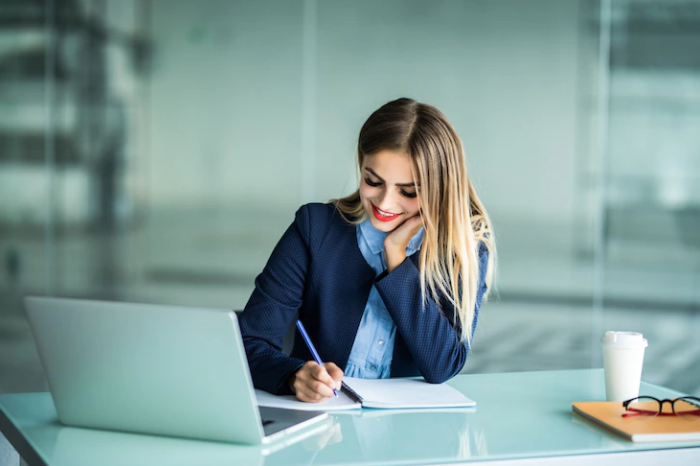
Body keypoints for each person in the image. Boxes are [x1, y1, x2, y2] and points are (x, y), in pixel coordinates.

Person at [239, 97, 495, 403]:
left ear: (440, 188)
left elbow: (442, 365)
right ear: (361, 165)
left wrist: (397, 258)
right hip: (322, 427)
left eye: (408, 191)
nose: (385, 203)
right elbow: (250, 340)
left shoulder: (463, 249)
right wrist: (294, 375)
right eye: (373, 181)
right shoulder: (315, 229)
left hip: (412, 434)